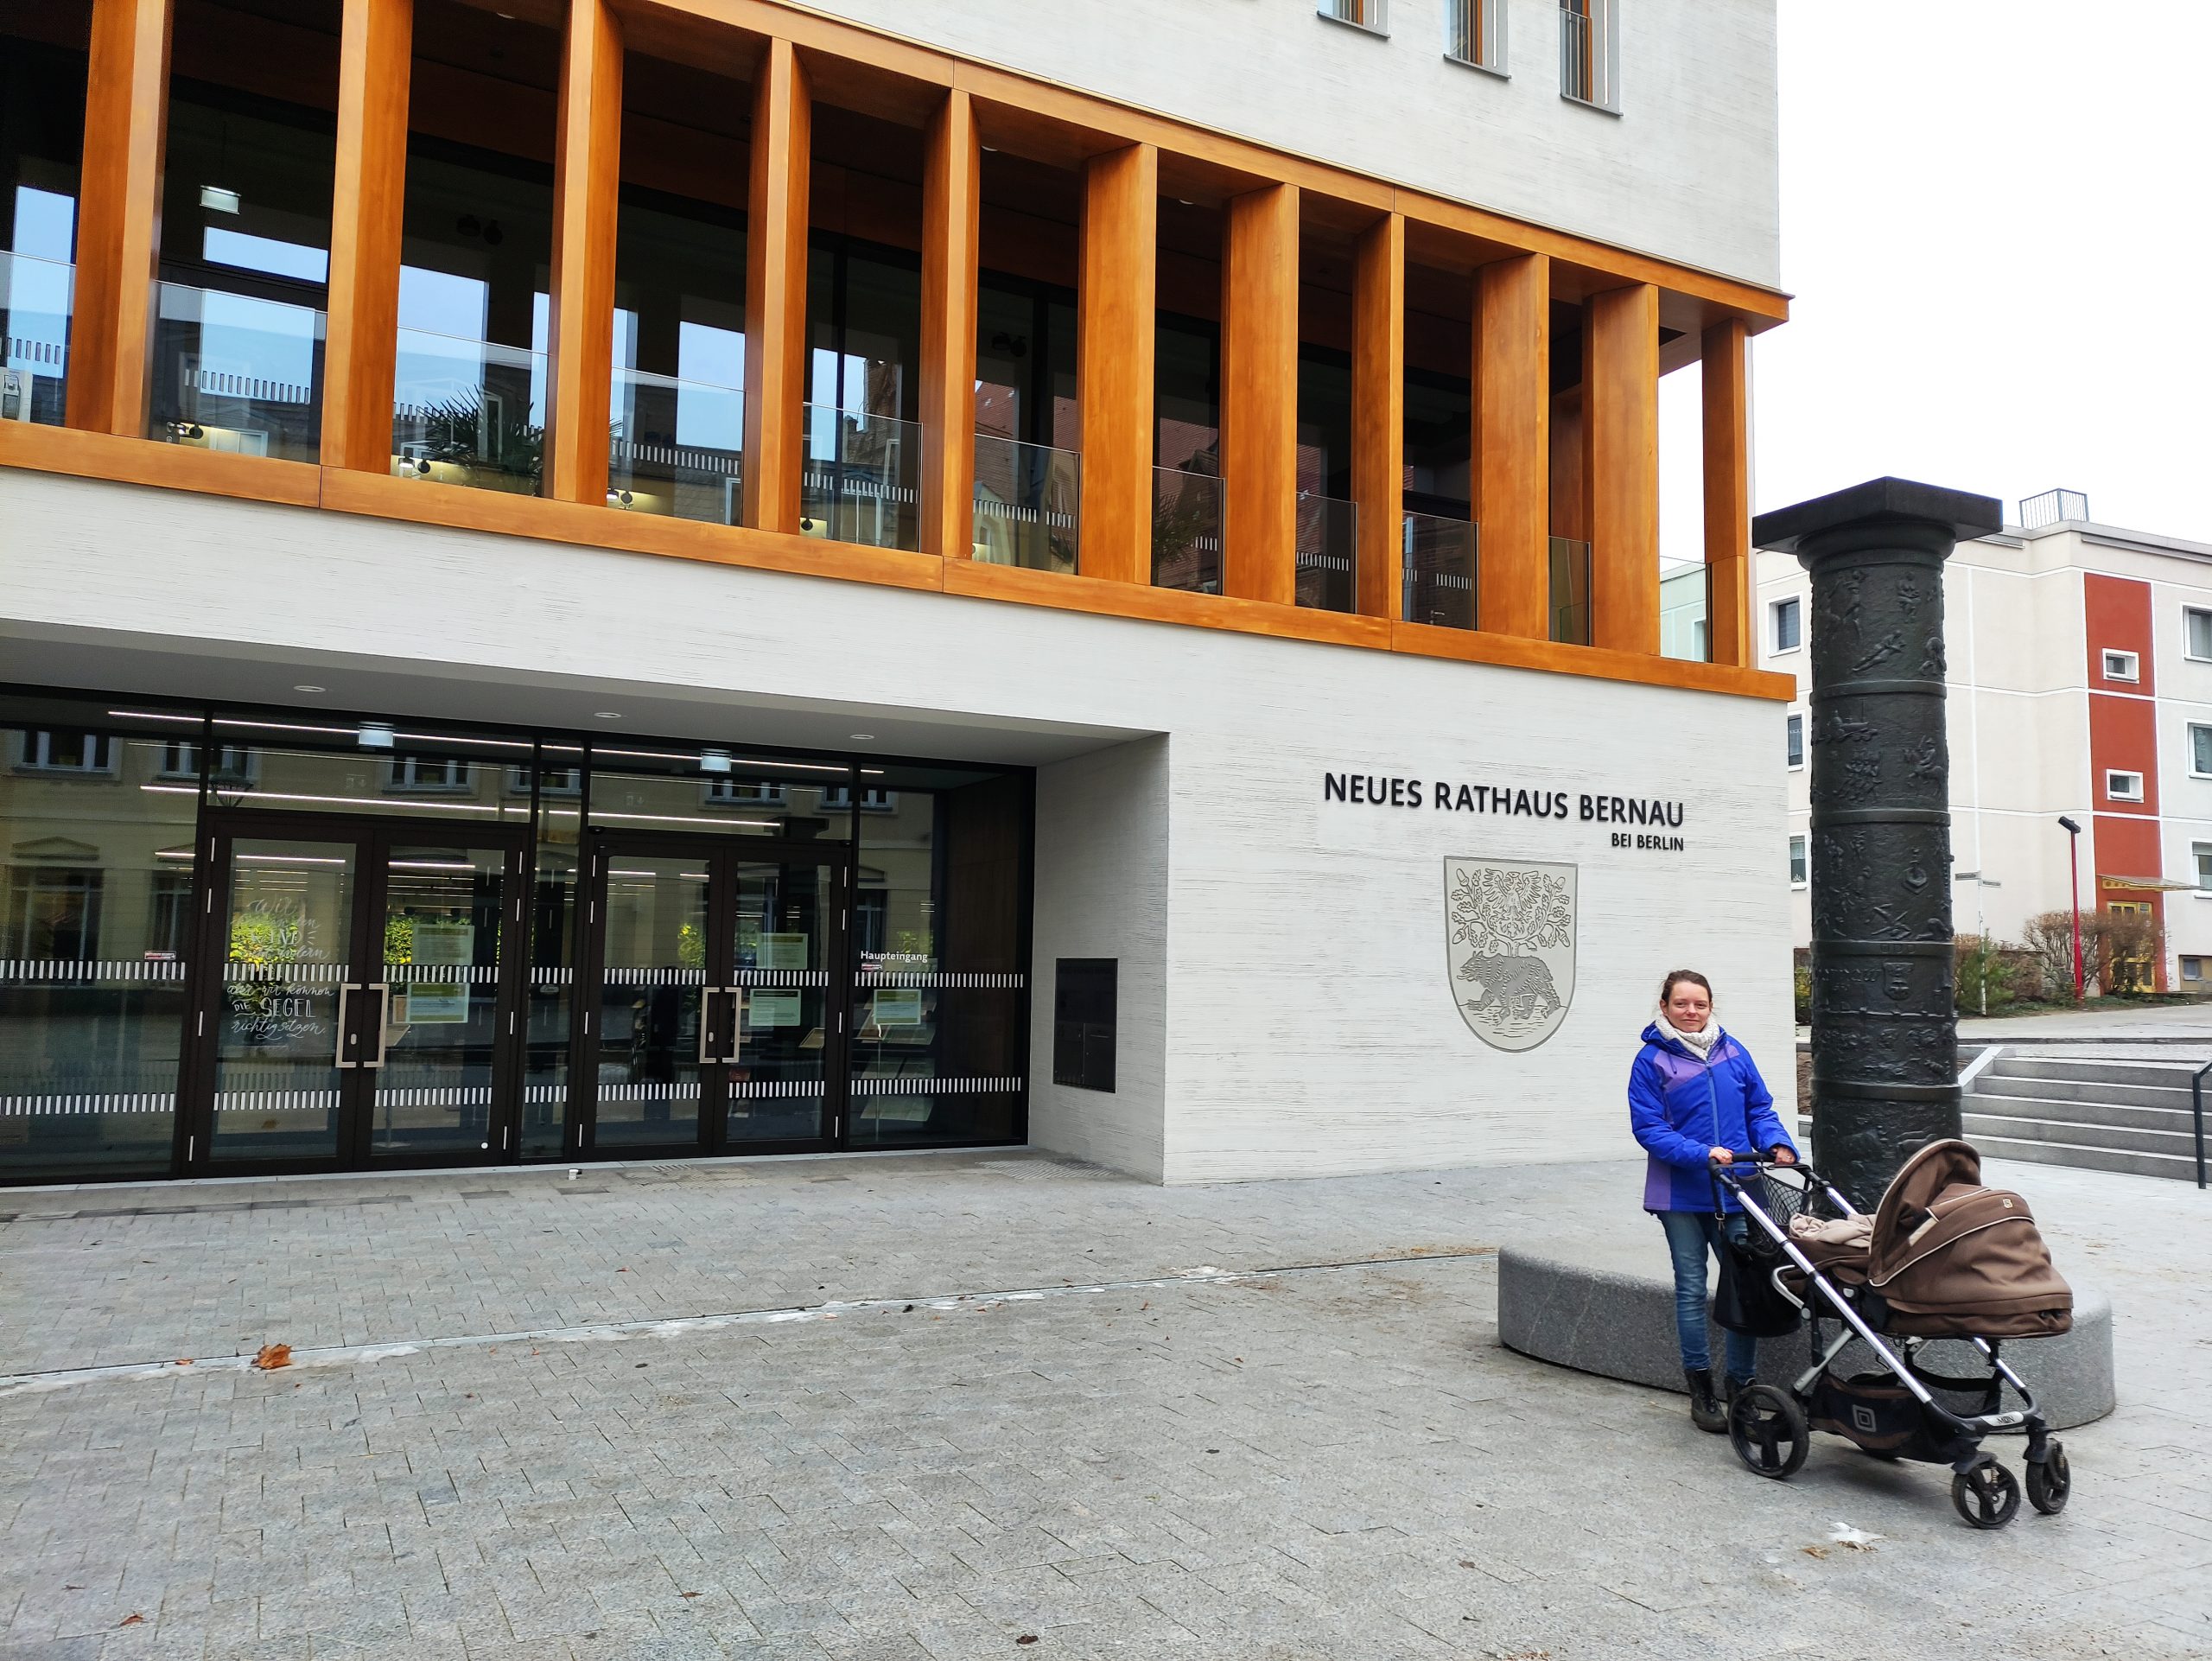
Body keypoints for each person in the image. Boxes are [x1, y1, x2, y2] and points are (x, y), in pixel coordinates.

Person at [1627, 969, 1797, 1432]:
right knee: (1690, 1286)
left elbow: (1759, 1108)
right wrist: (1701, 1154)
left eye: (1699, 1004)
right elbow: (1649, 1128)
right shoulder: (1651, 1061)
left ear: (1709, 1006)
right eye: (1681, 1004)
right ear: (1664, 1007)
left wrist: (1778, 1143)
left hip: (1738, 1188)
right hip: (1680, 1192)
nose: (1691, 1012)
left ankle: (1742, 1385)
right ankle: (1700, 1389)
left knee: (1743, 1284)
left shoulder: (1735, 1051)